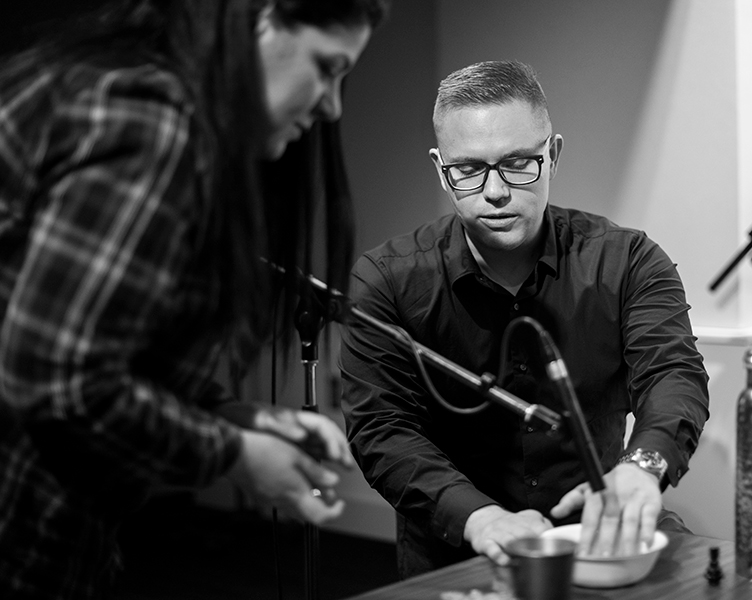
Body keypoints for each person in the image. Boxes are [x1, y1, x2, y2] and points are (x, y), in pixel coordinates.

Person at [0, 0, 388, 598]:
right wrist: (237, 455)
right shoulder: (151, 121)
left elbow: (105, 354)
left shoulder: (121, 91)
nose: (332, 105)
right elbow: (59, 377)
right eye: (327, 67)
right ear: (262, 18)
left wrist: (237, 416)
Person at [339, 60, 710, 578]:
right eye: (469, 169)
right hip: (458, 544)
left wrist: (642, 469)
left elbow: (674, 374)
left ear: (553, 154)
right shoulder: (386, 280)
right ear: (440, 168)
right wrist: (480, 517)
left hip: (598, 528)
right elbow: (382, 427)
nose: (495, 192)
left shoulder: (629, 262)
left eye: (518, 164)